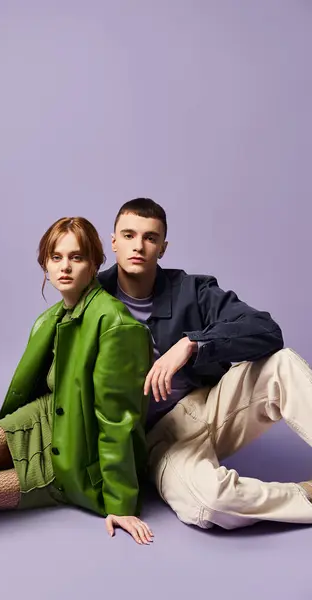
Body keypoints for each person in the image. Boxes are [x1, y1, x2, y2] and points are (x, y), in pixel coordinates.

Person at [0, 216, 154, 545]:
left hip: (77, 453)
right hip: (42, 416)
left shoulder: (116, 325)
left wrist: (120, 502)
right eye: (56, 257)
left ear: (95, 263)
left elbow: (117, 421)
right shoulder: (51, 317)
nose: (64, 267)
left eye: (76, 257)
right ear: (45, 265)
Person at [98, 197, 312, 530]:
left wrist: (193, 343)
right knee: (207, 504)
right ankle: (303, 496)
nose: (138, 246)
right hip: (159, 438)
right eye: (128, 235)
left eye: (150, 237)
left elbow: (267, 331)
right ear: (113, 242)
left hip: (210, 403)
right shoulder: (93, 299)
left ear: (163, 247)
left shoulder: (192, 289)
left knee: (281, 365)